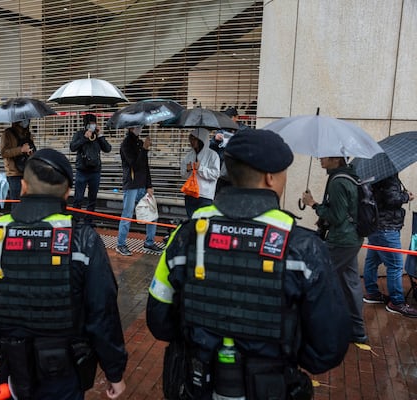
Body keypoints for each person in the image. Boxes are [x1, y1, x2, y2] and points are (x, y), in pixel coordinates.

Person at [147, 129, 351, 400]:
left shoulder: (186, 234)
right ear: (270, 177)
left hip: (197, 386)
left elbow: (159, 321)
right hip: (271, 389)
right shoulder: (303, 247)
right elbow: (327, 349)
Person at [0, 148, 127, 400]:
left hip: (12, 371)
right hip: (67, 373)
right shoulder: (83, 241)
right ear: (67, 192)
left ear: (23, 187)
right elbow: (104, 312)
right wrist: (114, 371)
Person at [301, 156, 367, 343]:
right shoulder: (349, 176)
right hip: (353, 238)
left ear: (336, 159)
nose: (320, 159)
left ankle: (314, 326)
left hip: (341, 241)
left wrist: (313, 203)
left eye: (324, 156)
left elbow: (337, 217)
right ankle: (357, 331)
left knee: (317, 278)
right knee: (350, 284)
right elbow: (344, 212)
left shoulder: (338, 182)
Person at [362, 174, 417, 317]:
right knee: (395, 265)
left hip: (375, 224)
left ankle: (372, 294)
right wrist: (406, 197)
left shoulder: (373, 175)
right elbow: (392, 199)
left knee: (372, 261)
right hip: (387, 228)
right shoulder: (389, 177)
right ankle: (397, 303)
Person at [116, 126, 161, 256]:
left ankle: (149, 242)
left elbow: (145, 166)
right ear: (130, 127)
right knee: (127, 214)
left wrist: (149, 185)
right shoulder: (126, 144)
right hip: (131, 185)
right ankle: (121, 244)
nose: (139, 128)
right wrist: (144, 149)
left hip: (142, 184)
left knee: (152, 213)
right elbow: (134, 165)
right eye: (137, 126)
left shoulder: (139, 143)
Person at [69, 113, 111, 222]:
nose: (93, 125)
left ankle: (89, 221)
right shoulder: (79, 134)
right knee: (78, 198)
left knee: (92, 199)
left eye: (94, 123)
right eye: (91, 123)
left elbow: (107, 149)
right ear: (86, 124)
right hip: (82, 171)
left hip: (95, 171)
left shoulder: (97, 136)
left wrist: (100, 135)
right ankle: (76, 221)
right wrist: (84, 138)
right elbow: (72, 147)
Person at [180, 128, 220, 217]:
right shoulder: (189, 156)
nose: (192, 142)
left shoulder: (213, 155)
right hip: (190, 194)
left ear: (201, 139)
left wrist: (200, 168)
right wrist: (187, 169)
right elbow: (183, 174)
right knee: (191, 222)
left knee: (203, 223)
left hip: (205, 195)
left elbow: (215, 174)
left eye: (194, 139)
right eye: (191, 139)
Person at [0, 120, 36, 204]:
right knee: (16, 201)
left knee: (28, 201)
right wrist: (21, 150)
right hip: (14, 173)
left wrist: (31, 152)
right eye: (23, 118)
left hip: (27, 171)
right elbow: (4, 152)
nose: (26, 121)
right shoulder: (8, 133)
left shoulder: (28, 134)